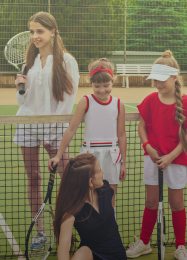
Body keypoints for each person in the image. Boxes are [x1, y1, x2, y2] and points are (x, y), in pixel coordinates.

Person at [13, 11, 80, 249]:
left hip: (55, 127)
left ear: (53, 32)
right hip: (28, 125)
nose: (35, 36)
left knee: (68, 179)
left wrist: (55, 129)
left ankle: (71, 228)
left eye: (39, 31)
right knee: (33, 178)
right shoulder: (28, 61)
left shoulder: (66, 61)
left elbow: (68, 100)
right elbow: (23, 103)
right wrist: (20, 88)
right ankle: (39, 231)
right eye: (32, 31)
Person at [126, 50, 187, 260]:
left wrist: (171, 157)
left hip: (177, 161)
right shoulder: (150, 100)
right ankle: (144, 243)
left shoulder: (186, 103)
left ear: (174, 77)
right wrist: (148, 147)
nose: (157, 84)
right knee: (151, 202)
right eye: (155, 80)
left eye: (162, 80)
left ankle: (180, 247)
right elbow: (141, 127)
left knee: (176, 203)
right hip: (153, 159)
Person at [49, 58, 127, 217]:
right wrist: (58, 155)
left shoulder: (119, 104)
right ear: (91, 83)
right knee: (89, 198)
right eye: (97, 86)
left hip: (112, 157)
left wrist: (123, 163)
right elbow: (71, 129)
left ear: (113, 81)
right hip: (90, 156)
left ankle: (109, 234)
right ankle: (92, 236)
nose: (102, 90)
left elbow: (121, 135)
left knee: (110, 198)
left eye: (106, 85)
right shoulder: (86, 101)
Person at [54, 153, 127, 260]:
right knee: (83, 251)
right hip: (92, 255)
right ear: (90, 182)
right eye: (99, 171)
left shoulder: (106, 189)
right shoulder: (71, 210)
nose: (103, 173)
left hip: (117, 256)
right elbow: (64, 243)